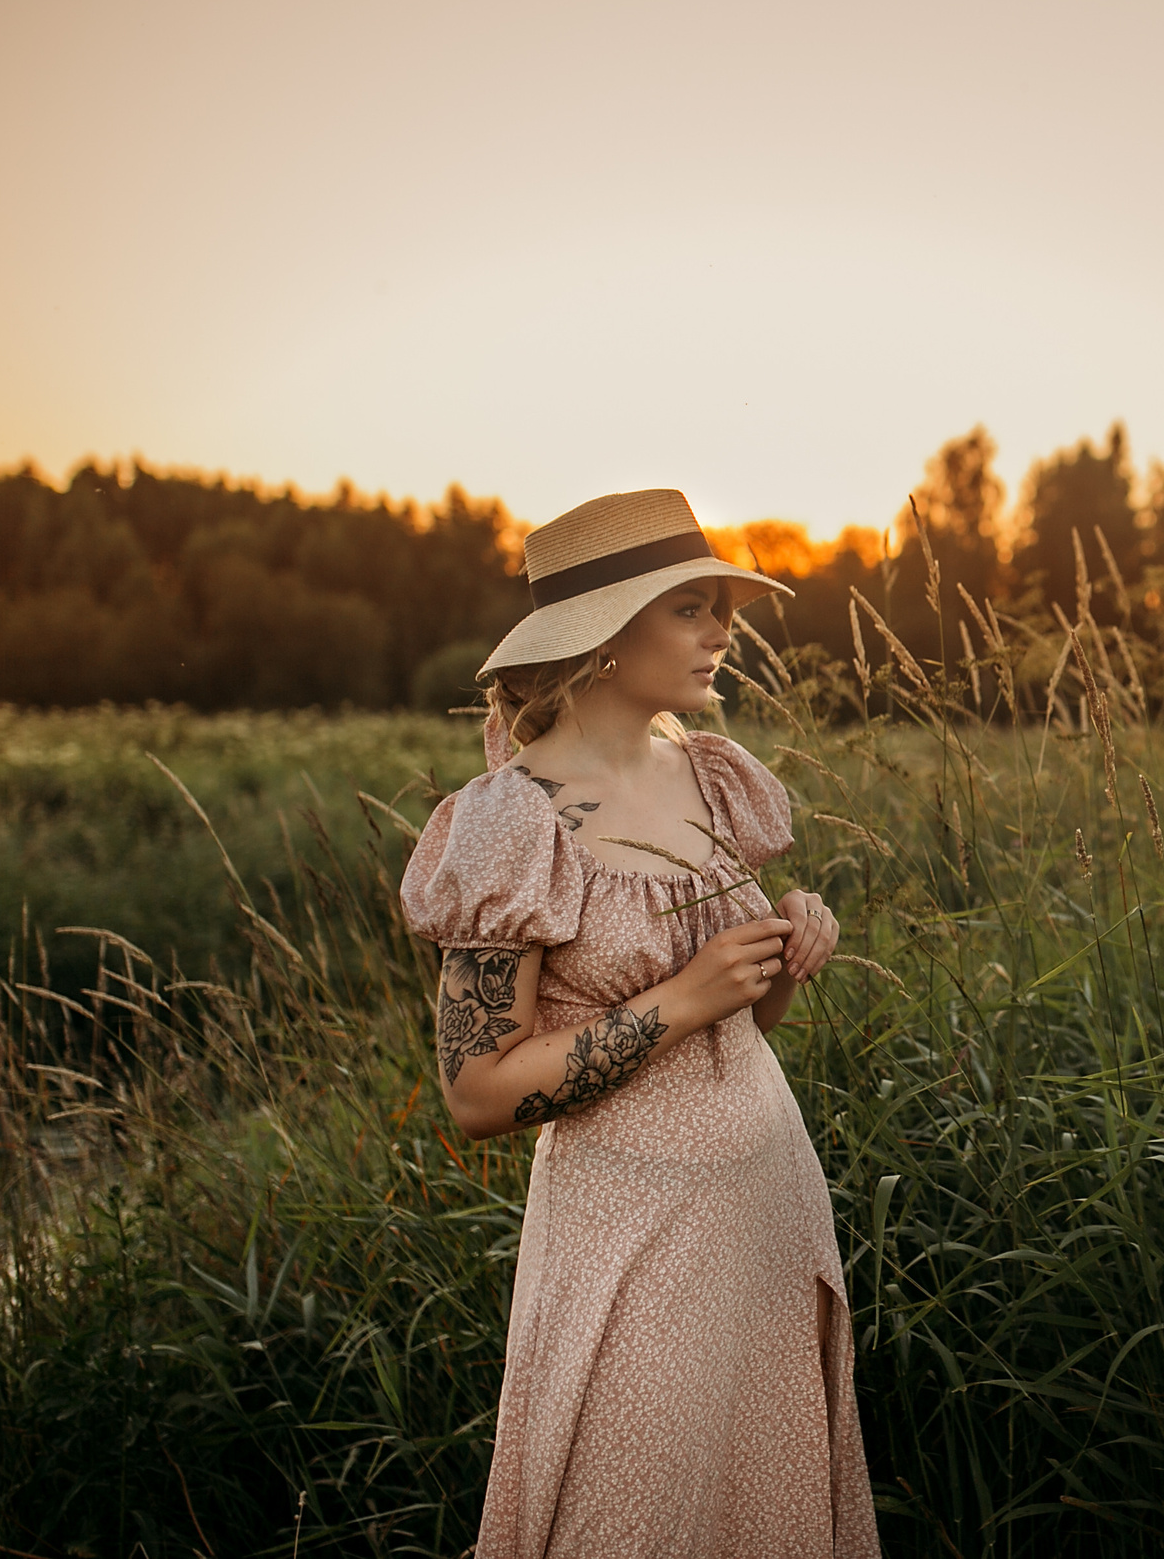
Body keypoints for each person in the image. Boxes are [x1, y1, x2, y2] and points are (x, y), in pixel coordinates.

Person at [399, 487, 881, 1558]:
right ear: (602, 639)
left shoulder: (712, 778)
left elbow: (742, 1031)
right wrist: (683, 997)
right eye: (691, 608)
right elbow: (477, 1094)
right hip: (632, 1243)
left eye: (722, 606)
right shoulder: (512, 821)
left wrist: (788, 947)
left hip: (765, 1211)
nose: (723, 631)